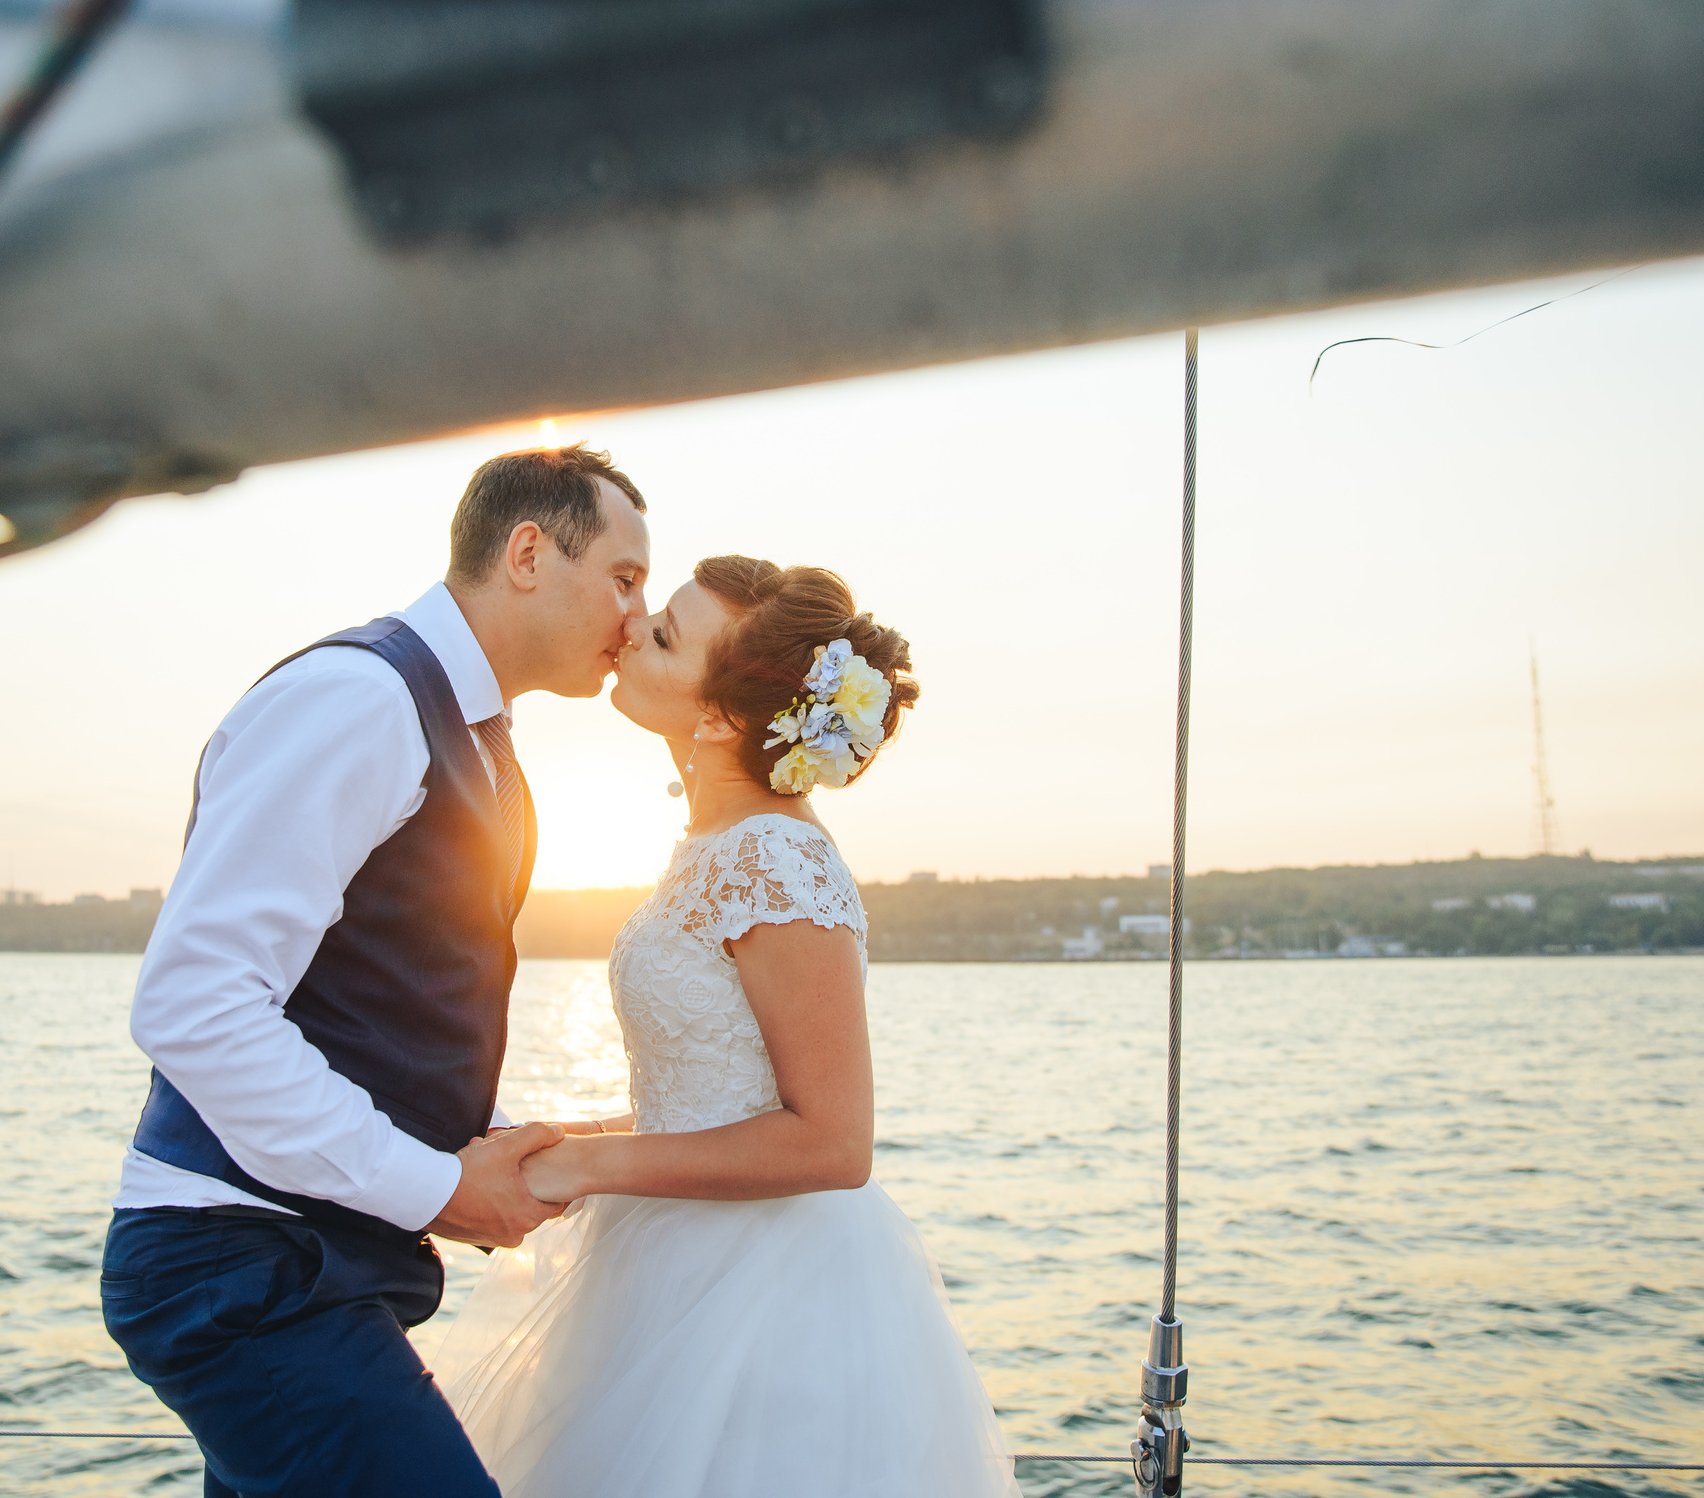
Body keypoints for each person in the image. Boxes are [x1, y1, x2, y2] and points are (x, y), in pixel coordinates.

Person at [101, 445, 652, 1498]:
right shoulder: (360, 699)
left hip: (322, 1266)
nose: (636, 614)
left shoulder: (486, 744)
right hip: (243, 1262)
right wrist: (440, 1186)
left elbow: (384, 1006)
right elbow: (197, 1000)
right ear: (528, 551)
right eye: (623, 576)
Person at [436, 556, 1019, 1498]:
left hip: (765, 1299)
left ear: (722, 717)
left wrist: (589, 1168)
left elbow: (832, 1140)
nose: (630, 630)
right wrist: (559, 1137)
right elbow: (708, 1097)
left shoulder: (777, 859)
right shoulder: (718, 847)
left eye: (664, 632)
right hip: (667, 1260)